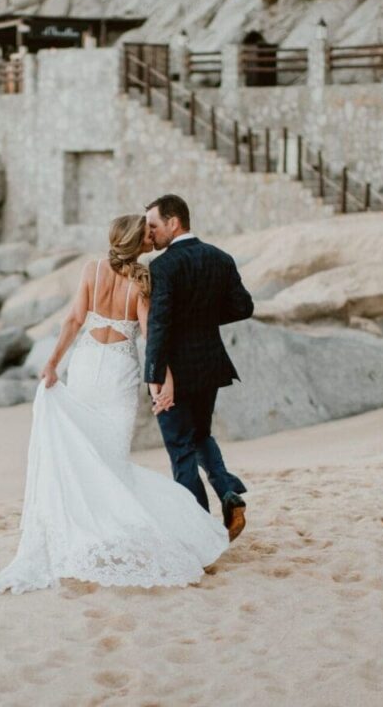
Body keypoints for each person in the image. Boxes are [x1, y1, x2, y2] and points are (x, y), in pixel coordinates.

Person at [0, 215, 229, 595]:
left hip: (85, 365)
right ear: (137, 243)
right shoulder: (142, 282)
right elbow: (152, 340)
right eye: (147, 234)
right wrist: (165, 383)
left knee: (86, 455)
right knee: (113, 461)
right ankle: (117, 533)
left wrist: (52, 365)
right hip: (118, 372)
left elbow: (72, 321)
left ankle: (91, 534)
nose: (152, 237)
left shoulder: (91, 270)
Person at [144, 194, 254, 541]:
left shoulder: (163, 267)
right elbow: (243, 307)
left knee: (180, 449)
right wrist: (204, 318)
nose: (151, 234)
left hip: (174, 370)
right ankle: (227, 492)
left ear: (173, 222)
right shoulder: (220, 258)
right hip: (209, 365)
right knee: (201, 434)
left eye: (154, 226)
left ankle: (198, 532)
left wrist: (155, 376)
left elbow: (159, 325)